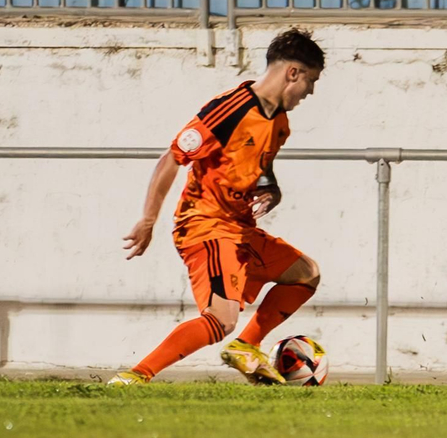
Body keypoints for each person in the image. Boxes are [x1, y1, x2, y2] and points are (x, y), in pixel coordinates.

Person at [110, 28, 325, 385]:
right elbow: (171, 158)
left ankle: (246, 347)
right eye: (311, 81)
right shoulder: (229, 109)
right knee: (219, 320)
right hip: (205, 225)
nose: (310, 92)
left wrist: (272, 191)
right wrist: (148, 219)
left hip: (240, 228)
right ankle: (135, 376)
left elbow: (262, 170)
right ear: (293, 73)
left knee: (306, 273)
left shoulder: (280, 123)